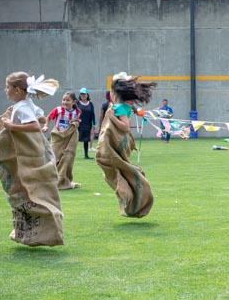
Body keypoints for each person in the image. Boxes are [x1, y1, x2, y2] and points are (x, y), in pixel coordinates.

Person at [0, 72, 63, 247]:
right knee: (29, 192)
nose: (5, 90)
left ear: (16, 89)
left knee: (25, 192)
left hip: (26, 156)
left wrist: (10, 126)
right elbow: (41, 118)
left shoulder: (23, 106)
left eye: (7, 87)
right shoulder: (26, 104)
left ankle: (39, 229)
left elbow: (33, 125)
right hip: (34, 153)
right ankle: (32, 232)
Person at [96, 72, 155, 218]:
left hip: (119, 140)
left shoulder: (119, 107)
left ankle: (131, 194)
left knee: (111, 166)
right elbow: (131, 108)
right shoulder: (124, 104)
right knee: (115, 168)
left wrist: (111, 117)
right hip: (120, 141)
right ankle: (129, 192)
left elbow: (125, 127)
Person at [44, 91, 82, 190]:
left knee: (67, 158)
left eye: (68, 100)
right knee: (54, 158)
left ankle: (64, 180)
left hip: (69, 137)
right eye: (63, 100)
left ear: (73, 102)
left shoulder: (77, 112)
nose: (65, 102)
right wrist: (46, 126)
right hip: (58, 137)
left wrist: (76, 122)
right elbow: (48, 117)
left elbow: (76, 122)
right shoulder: (58, 110)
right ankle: (49, 180)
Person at [76, 88, 96, 158]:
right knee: (75, 139)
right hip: (78, 124)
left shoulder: (90, 104)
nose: (83, 95)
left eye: (84, 94)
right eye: (81, 94)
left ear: (87, 95)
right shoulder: (77, 103)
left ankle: (86, 155)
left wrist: (94, 124)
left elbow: (93, 114)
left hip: (87, 124)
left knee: (86, 140)